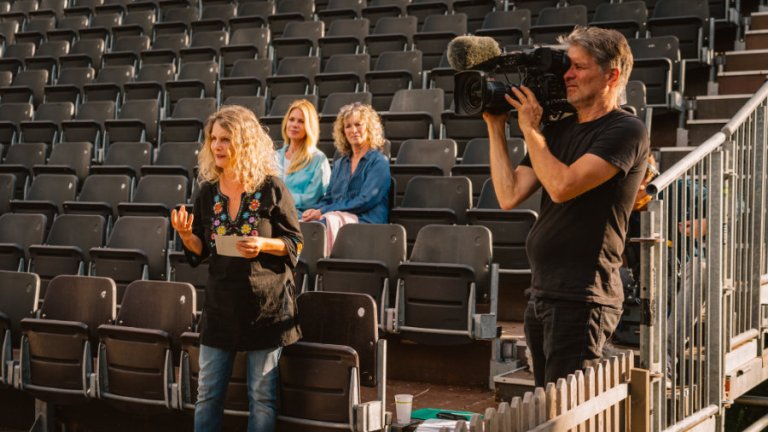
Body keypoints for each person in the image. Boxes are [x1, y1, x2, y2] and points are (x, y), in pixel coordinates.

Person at [482, 26, 649, 387]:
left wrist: (530, 129)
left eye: (579, 67)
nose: (567, 76)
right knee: (547, 403)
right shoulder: (558, 131)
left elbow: (562, 186)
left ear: (612, 74)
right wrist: (496, 127)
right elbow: (509, 194)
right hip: (543, 292)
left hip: (583, 297)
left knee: (566, 413)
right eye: (566, 67)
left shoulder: (626, 130)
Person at [170, 105, 303, 432]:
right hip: (221, 306)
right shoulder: (207, 192)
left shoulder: (271, 187)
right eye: (213, 139)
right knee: (208, 394)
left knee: (261, 396)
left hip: (265, 305)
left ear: (243, 143)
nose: (217, 146)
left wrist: (262, 245)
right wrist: (187, 236)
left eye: (226, 139)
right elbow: (201, 249)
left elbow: (295, 243)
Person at [301, 102, 391, 252]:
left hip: (366, 221)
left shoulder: (379, 162)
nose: (353, 130)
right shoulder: (340, 163)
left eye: (358, 124)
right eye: (348, 126)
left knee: (318, 228)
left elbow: (365, 200)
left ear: (369, 127)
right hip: (335, 217)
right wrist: (313, 210)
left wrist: (323, 211)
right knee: (301, 225)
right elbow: (328, 198)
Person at [277, 99, 331, 213]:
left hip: (299, 217)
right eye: (291, 120)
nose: (294, 125)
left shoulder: (318, 159)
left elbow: (311, 199)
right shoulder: (273, 157)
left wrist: (279, 199)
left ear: (309, 126)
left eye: (301, 121)